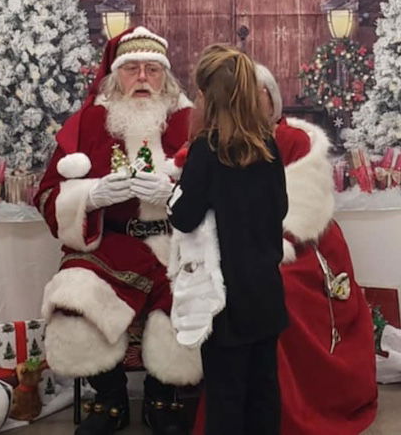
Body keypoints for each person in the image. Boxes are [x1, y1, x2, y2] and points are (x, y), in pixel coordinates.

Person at [35, 26, 200, 435]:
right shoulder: (89, 121)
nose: (143, 78)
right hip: (109, 245)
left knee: (193, 292)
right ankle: (109, 401)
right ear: (115, 75)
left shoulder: (191, 121)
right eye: (132, 70)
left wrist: (174, 194)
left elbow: (221, 189)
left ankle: (164, 397)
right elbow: (46, 194)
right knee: (75, 290)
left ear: (166, 77)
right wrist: (90, 196)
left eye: (152, 70)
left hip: (175, 243)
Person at [168, 44, 288, 435]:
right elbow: (280, 208)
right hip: (266, 291)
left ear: (206, 97)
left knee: (226, 398)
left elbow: (183, 217)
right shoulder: (268, 145)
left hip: (225, 299)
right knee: (263, 394)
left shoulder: (206, 149)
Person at [257, 64, 377, 434]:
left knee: (280, 294)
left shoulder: (294, 140)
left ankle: (294, 406)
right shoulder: (226, 139)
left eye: (255, 96)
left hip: (302, 244)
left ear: (271, 101)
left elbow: (303, 213)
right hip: (244, 243)